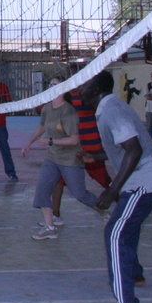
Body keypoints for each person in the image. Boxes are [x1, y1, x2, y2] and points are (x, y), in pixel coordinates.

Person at [83, 71, 152, 303]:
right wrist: (96, 156)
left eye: (86, 83)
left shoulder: (112, 111)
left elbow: (133, 150)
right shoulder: (109, 108)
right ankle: (135, 274)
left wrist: (112, 190)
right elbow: (123, 146)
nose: (81, 87)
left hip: (146, 181)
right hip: (149, 180)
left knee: (115, 233)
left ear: (97, 87)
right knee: (128, 229)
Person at [22, 77, 104, 240]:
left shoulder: (68, 112)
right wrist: (29, 143)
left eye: (54, 84)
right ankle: (50, 227)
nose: (50, 87)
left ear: (62, 89)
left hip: (70, 159)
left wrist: (51, 141)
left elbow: (74, 140)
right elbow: (42, 126)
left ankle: (104, 211)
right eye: (49, 84)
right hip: (52, 157)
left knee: (80, 194)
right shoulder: (47, 108)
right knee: (43, 190)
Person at [50, 87, 113, 227]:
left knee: (106, 181)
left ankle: (125, 208)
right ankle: (56, 216)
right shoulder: (64, 98)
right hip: (72, 150)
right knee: (58, 181)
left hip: (91, 147)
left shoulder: (88, 96)